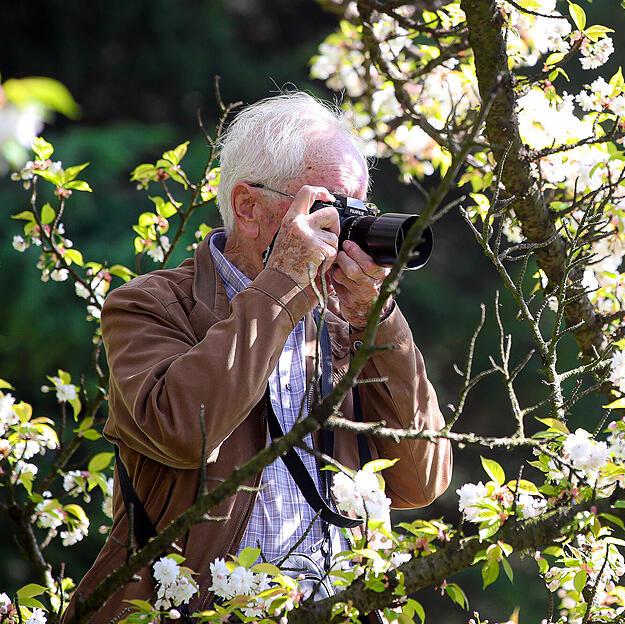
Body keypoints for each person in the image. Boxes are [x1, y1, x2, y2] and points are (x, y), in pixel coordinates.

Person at [62, 91, 453, 622]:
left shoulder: (347, 318)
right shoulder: (150, 305)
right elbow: (184, 430)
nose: (347, 230)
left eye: (360, 210)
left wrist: (377, 320)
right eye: (329, 207)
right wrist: (282, 288)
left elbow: (422, 479)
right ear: (248, 206)